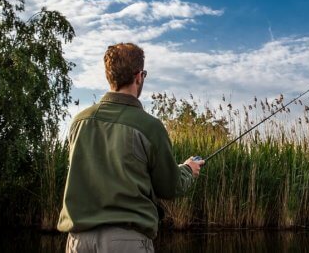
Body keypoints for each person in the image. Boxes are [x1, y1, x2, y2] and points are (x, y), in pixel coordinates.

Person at [57, 42, 204, 252]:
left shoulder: (79, 122)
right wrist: (189, 169)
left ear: (110, 76)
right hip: (124, 242)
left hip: (77, 242)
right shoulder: (149, 126)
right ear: (139, 76)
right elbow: (169, 187)